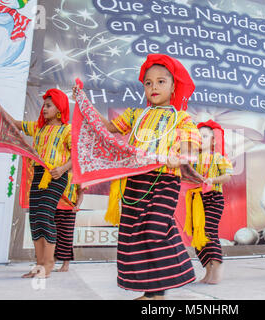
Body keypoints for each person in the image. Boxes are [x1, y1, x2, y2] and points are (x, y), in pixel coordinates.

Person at [73, 54, 201, 300]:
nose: (154, 87)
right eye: (148, 82)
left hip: (165, 179)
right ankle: (153, 293)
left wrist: (180, 155)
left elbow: (191, 144)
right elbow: (108, 128)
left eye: (161, 82)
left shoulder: (181, 118)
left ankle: (179, 271)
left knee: (154, 228)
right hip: (135, 181)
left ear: (173, 86)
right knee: (135, 233)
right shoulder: (136, 115)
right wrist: (84, 103)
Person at [0, 88, 73, 278]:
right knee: (35, 219)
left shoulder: (67, 130)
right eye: (43, 106)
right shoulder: (38, 127)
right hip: (38, 174)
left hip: (56, 176)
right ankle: (39, 264)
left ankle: (48, 264)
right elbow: (13, 123)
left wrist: (63, 168)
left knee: (44, 214)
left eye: (48, 105)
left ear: (60, 109)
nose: (44, 109)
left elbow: (77, 157)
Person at [189, 120, 233, 284]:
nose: (201, 139)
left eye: (205, 136)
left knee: (208, 232)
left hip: (214, 197)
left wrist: (212, 179)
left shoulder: (219, 158)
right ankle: (208, 270)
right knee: (197, 235)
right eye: (198, 136)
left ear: (213, 140)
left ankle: (217, 268)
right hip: (196, 200)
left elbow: (228, 176)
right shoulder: (191, 160)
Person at [54, 184, 84, 272]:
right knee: (53, 233)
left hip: (70, 206)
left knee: (66, 234)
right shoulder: (58, 170)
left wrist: (77, 205)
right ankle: (51, 261)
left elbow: (81, 193)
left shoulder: (78, 175)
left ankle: (65, 265)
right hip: (55, 204)